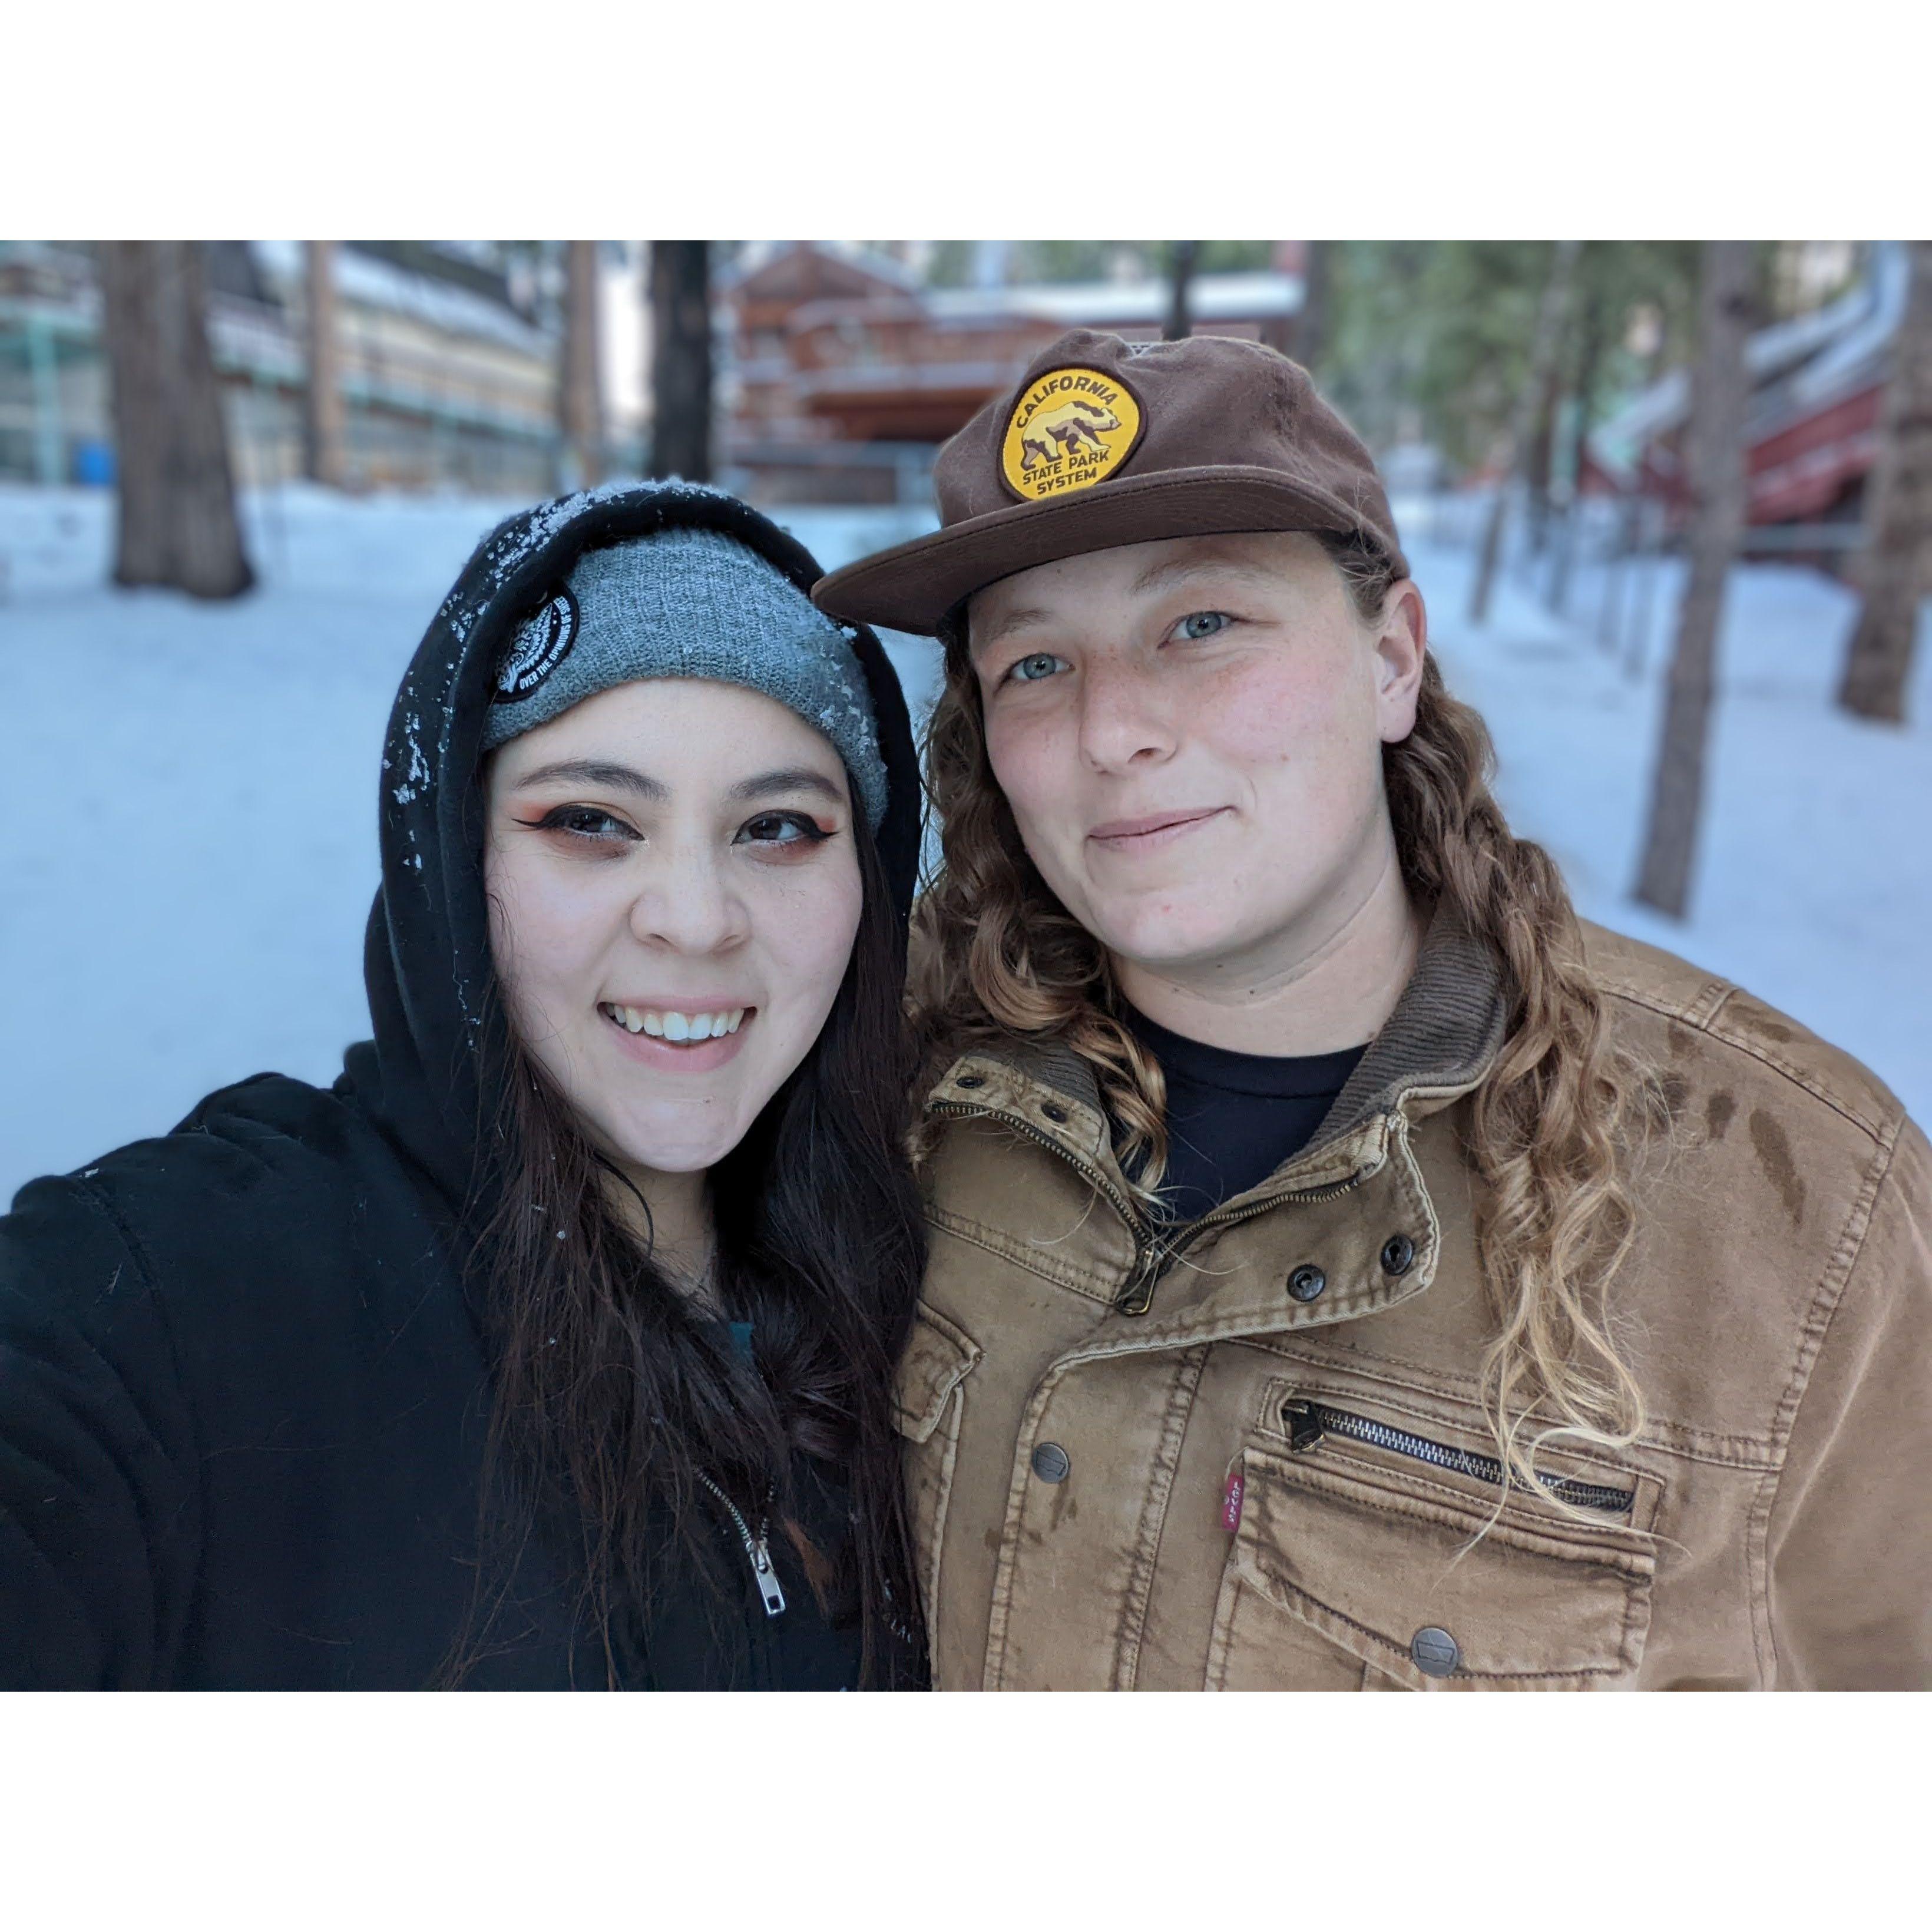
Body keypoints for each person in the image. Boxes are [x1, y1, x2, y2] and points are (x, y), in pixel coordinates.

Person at [814, 328, 1932, 1691]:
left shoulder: (1792, 1212)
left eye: (1200, 623)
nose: (1111, 728)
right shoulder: (905, 1104)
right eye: (1034, 663)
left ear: (1391, 655)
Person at [0, 481, 929, 1689]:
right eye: (590, 818)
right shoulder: (196, 1297)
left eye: (778, 828)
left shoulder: (929, 1276)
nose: (695, 919)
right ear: (449, 856)